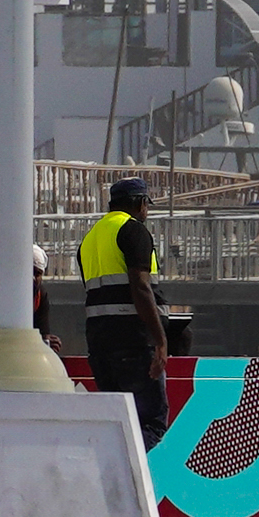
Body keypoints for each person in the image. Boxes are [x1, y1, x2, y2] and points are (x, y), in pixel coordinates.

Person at [78, 176, 170, 443]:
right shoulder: (133, 230)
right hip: (134, 345)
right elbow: (141, 288)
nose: (147, 212)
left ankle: (107, 477)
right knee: (150, 424)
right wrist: (160, 341)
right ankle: (118, 478)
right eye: (146, 205)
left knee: (117, 424)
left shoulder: (90, 239)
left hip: (99, 345)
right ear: (140, 203)